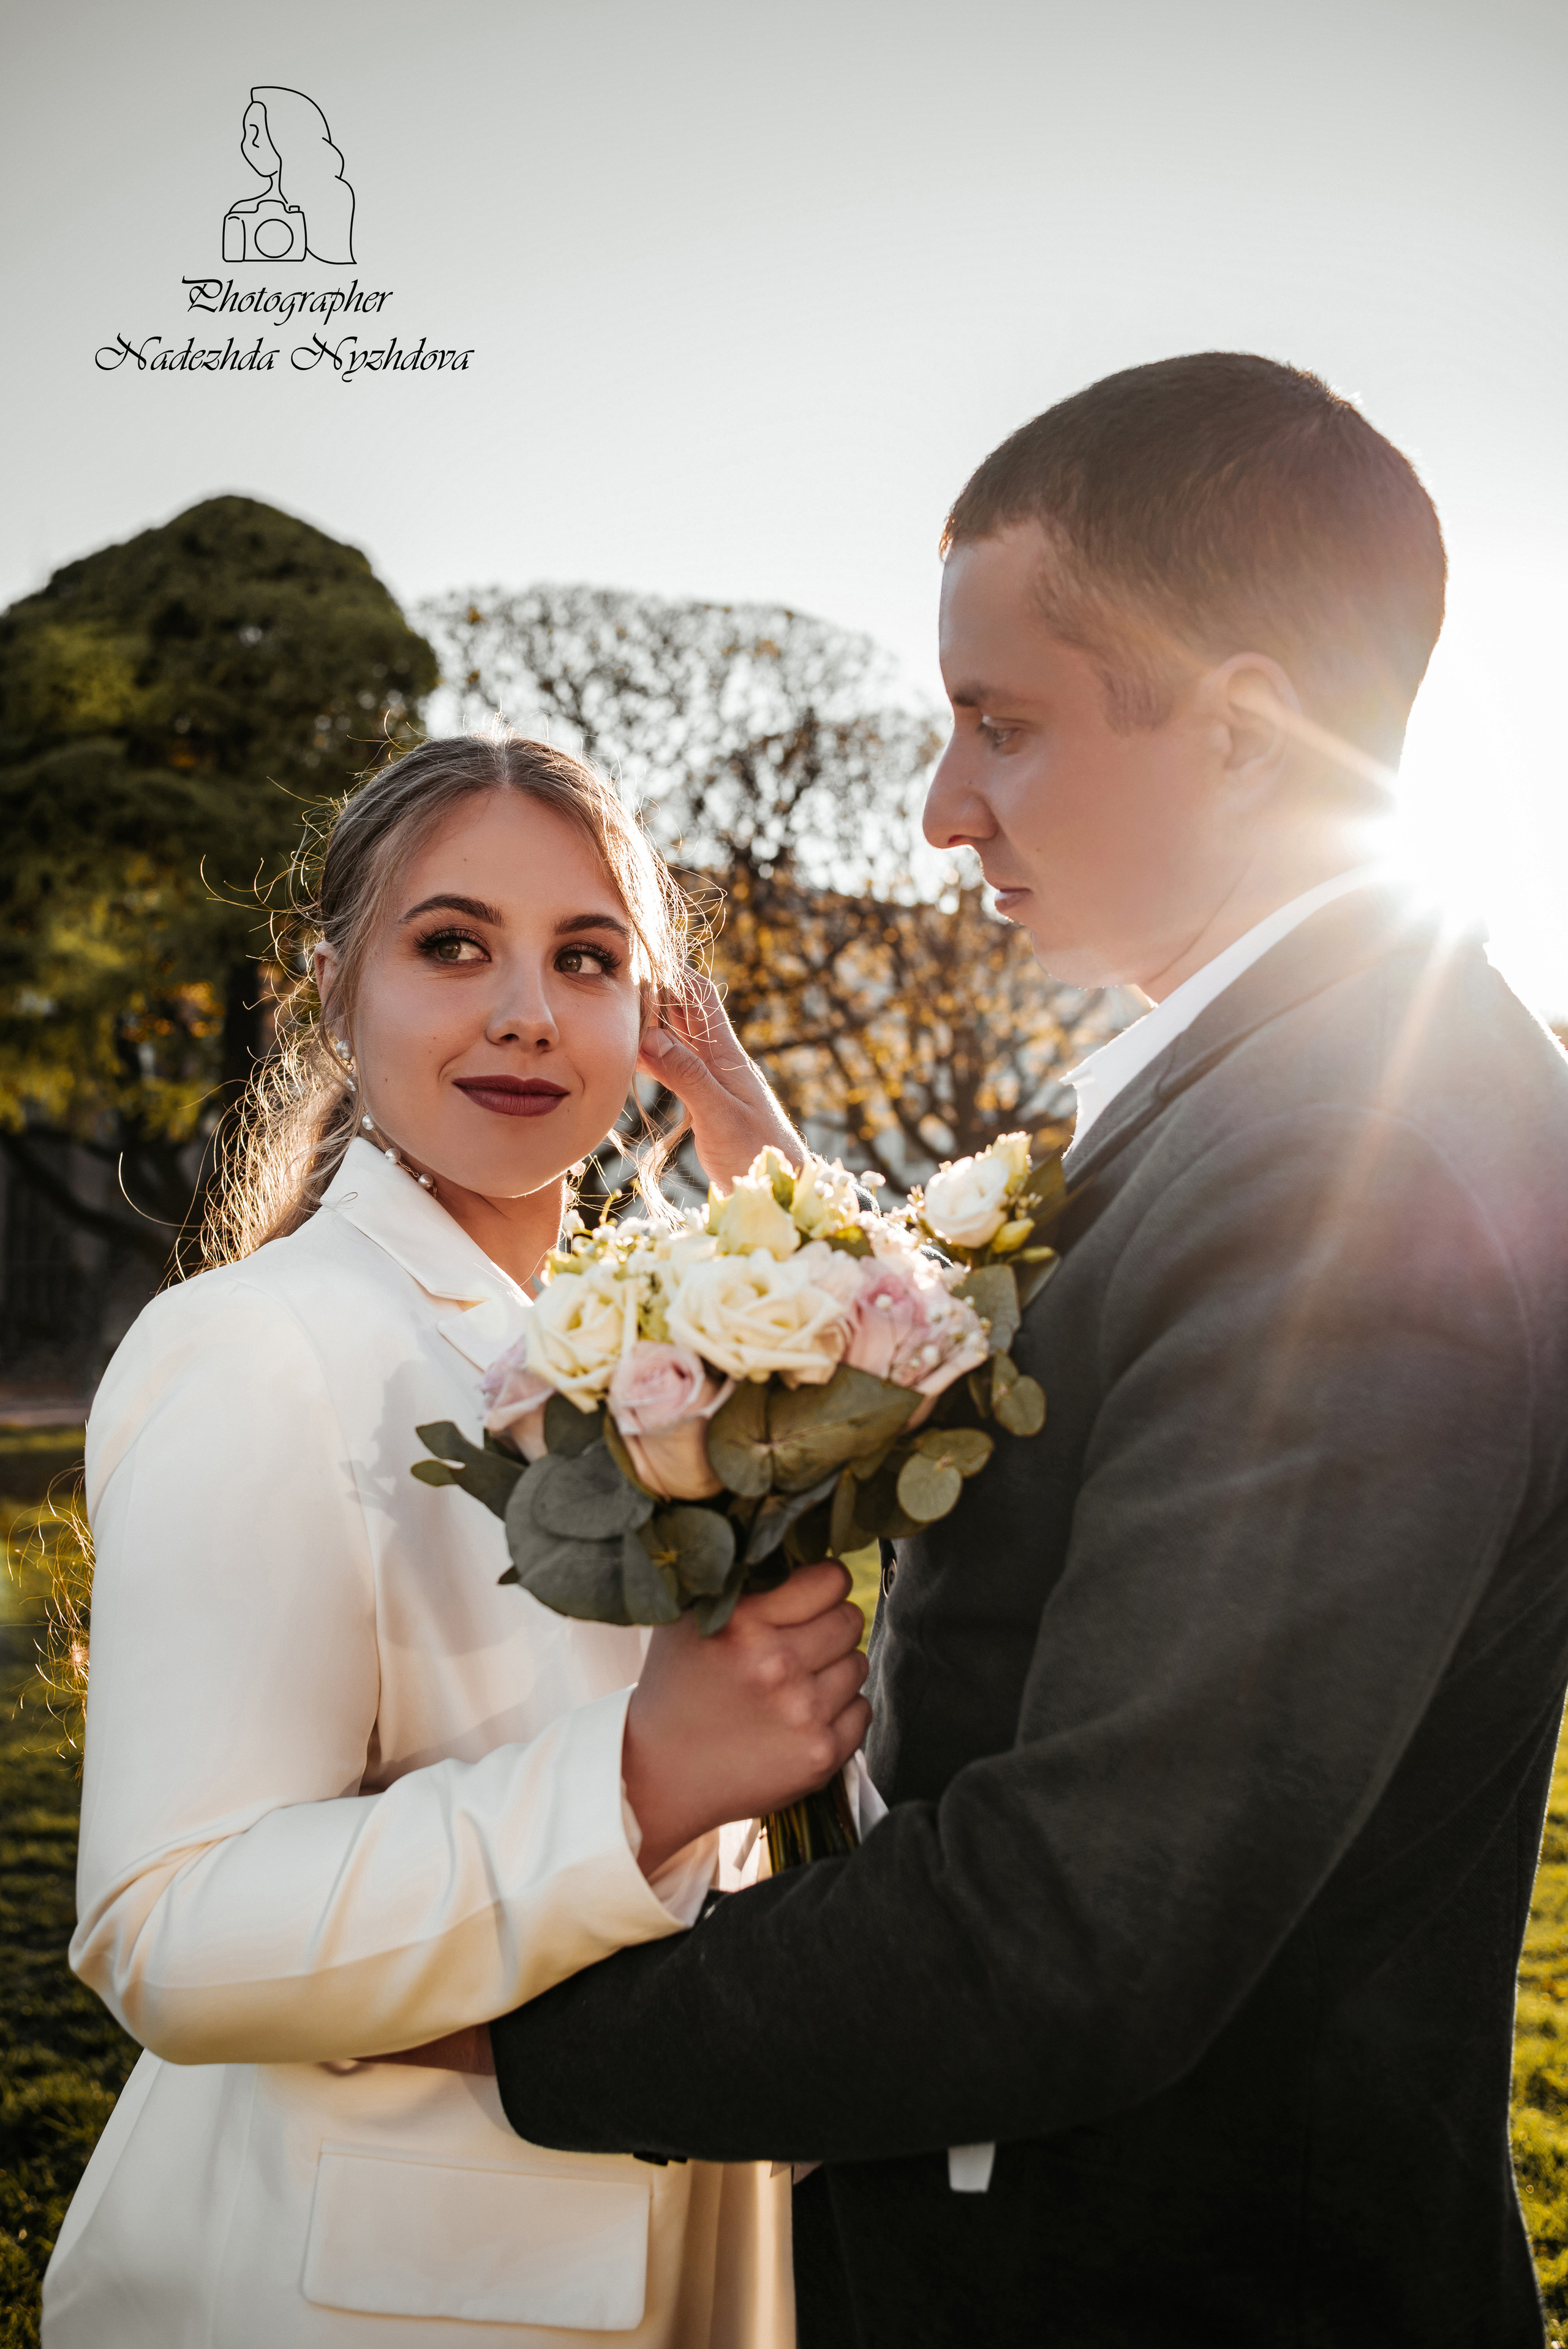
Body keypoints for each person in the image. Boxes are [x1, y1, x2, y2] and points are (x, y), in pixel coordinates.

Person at [483, 355, 1568, 2346]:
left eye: (1004, 725)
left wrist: (515, 2029)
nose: (939, 803)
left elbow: (1082, 1918)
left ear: (1239, 732)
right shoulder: (1261, 1089)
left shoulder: (1355, 1159)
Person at [42, 735, 867, 2348]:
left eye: (587, 958)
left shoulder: (646, 1346)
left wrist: (747, 1120)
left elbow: (889, 1341)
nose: (525, 1012)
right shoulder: (262, 1345)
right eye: (452, 944)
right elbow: (169, 1927)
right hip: (375, 2296)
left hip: (699, 2264)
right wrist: (646, 1780)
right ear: (332, 983)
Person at [224, 86, 356, 265]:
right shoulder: (243, 212)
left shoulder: (244, 211)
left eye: (253, 131)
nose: (250, 142)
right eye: (247, 132)